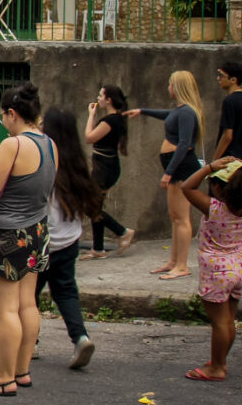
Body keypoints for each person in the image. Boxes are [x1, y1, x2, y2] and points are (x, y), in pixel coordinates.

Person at [0, 82, 56, 398]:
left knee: (5, 309)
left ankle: (4, 379)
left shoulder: (13, 145)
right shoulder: (50, 144)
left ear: (11, 113)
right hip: (37, 232)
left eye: (2, 116)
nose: (2, 122)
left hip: (7, 235)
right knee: (27, 303)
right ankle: (22, 371)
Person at [125, 70, 207, 280]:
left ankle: (182, 265)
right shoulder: (179, 111)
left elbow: (185, 144)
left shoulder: (188, 112)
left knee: (181, 218)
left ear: (177, 87)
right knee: (175, 217)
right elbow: (167, 115)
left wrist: (169, 173)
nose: (168, 88)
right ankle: (173, 261)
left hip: (181, 169)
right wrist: (142, 111)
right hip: (174, 167)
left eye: (170, 84)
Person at [38, 108, 102, 370]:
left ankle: (29, 342)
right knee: (65, 291)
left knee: (28, 296)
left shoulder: (43, 159)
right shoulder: (77, 163)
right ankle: (81, 337)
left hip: (41, 242)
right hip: (69, 241)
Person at [179, 157, 242, 381]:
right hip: (238, 268)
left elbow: (186, 186)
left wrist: (209, 167)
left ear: (218, 187)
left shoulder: (214, 208)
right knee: (229, 319)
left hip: (217, 272)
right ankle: (220, 359)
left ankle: (217, 367)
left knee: (219, 322)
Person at [82, 85, 136, 259]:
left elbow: (89, 137)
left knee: (90, 206)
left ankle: (123, 232)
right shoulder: (116, 119)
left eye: (100, 95)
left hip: (105, 169)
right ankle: (98, 249)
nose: (98, 98)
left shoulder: (111, 120)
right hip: (106, 166)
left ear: (109, 100)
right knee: (95, 205)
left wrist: (91, 116)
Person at [215, 63, 242, 161]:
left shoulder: (229, 101)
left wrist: (215, 161)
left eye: (222, 76)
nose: (218, 78)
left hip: (230, 160)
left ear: (233, 80)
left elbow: (227, 136)